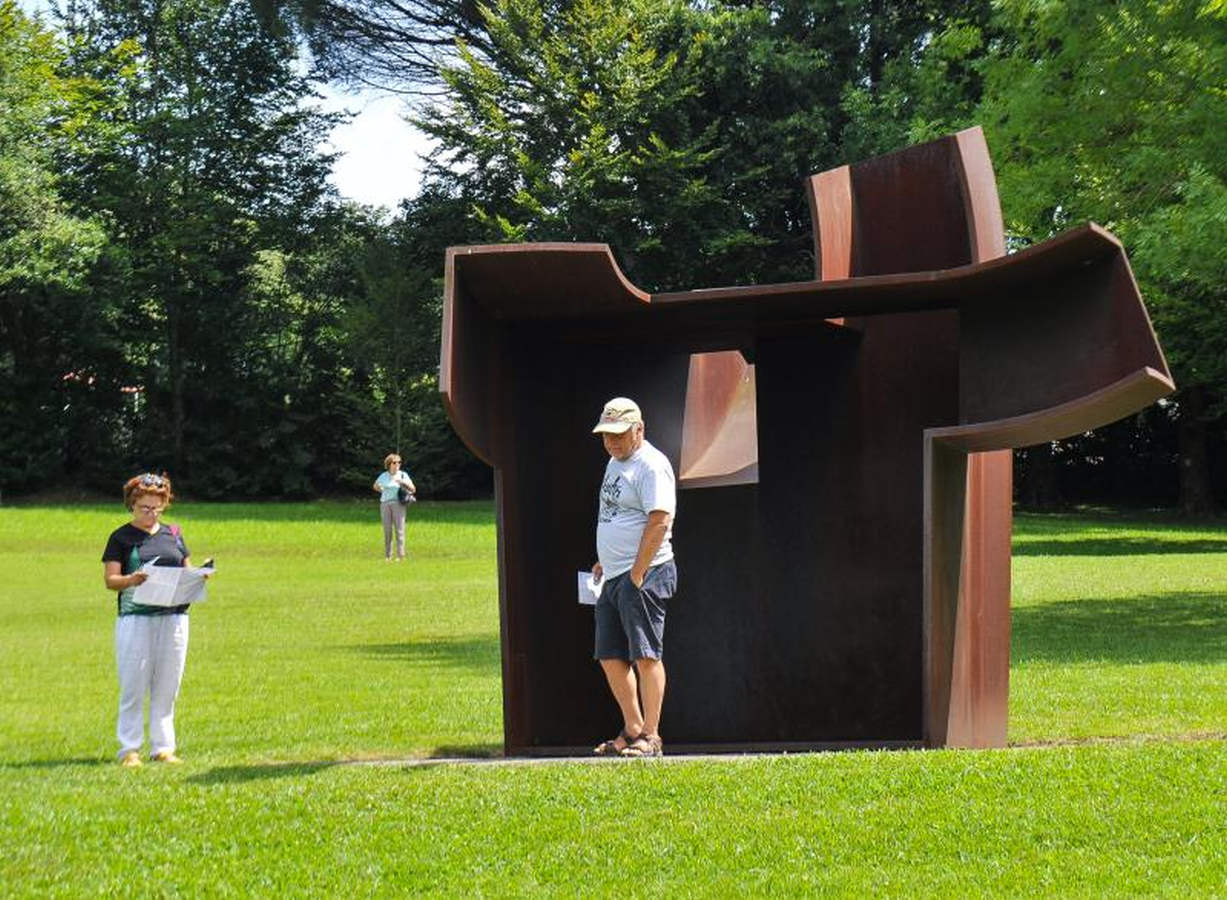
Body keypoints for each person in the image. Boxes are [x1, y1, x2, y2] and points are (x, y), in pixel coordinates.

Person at [589, 397, 678, 758]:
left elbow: (659, 520)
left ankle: (652, 737)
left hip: (645, 574)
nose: (611, 442)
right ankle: (633, 729)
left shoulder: (652, 466)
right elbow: (615, 514)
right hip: (613, 576)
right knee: (609, 655)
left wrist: (637, 573)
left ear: (639, 430)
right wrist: (604, 560)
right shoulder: (615, 461)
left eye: (619, 435)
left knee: (645, 655)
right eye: (606, 435)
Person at [101, 473, 208, 767]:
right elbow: (111, 580)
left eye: (157, 508)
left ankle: (163, 747)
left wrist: (200, 575)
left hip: (174, 616)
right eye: (144, 508)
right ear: (132, 506)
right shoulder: (121, 537)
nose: (151, 514)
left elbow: (186, 569)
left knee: (167, 685)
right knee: (134, 684)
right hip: (136, 617)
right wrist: (132, 579)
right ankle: (129, 749)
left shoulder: (173, 534)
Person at [373, 453, 415, 561]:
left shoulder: (403, 475)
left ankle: (400, 556)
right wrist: (382, 490)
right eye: (394, 462)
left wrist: (403, 482)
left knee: (399, 530)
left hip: (398, 504)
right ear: (389, 464)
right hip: (385, 504)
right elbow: (375, 486)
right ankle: (388, 556)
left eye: (399, 462)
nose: (397, 464)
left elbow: (413, 489)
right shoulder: (384, 476)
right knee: (387, 530)